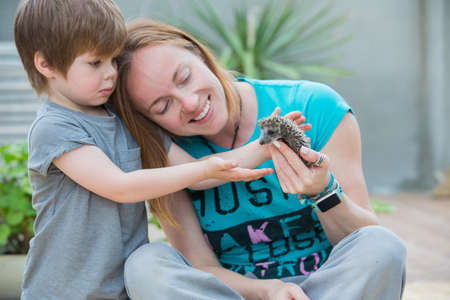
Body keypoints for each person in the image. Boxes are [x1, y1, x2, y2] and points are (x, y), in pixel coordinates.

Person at [112, 20, 407, 300]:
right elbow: (201, 266)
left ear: (199, 54)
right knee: (146, 264)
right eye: (163, 106)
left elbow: (362, 236)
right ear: (148, 120)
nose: (190, 103)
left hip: (328, 290)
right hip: (235, 293)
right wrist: (267, 290)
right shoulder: (163, 154)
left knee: (382, 244)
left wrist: (323, 192)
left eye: (185, 77)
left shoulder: (315, 106)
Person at [14, 1, 278, 299]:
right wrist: (202, 169)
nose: (111, 73)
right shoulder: (55, 128)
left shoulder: (125, 120)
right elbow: (120, 187)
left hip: (122, 290)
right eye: (95, 63)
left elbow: (200, 173)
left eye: (113, 60)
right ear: (45, 64)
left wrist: (267, 144)